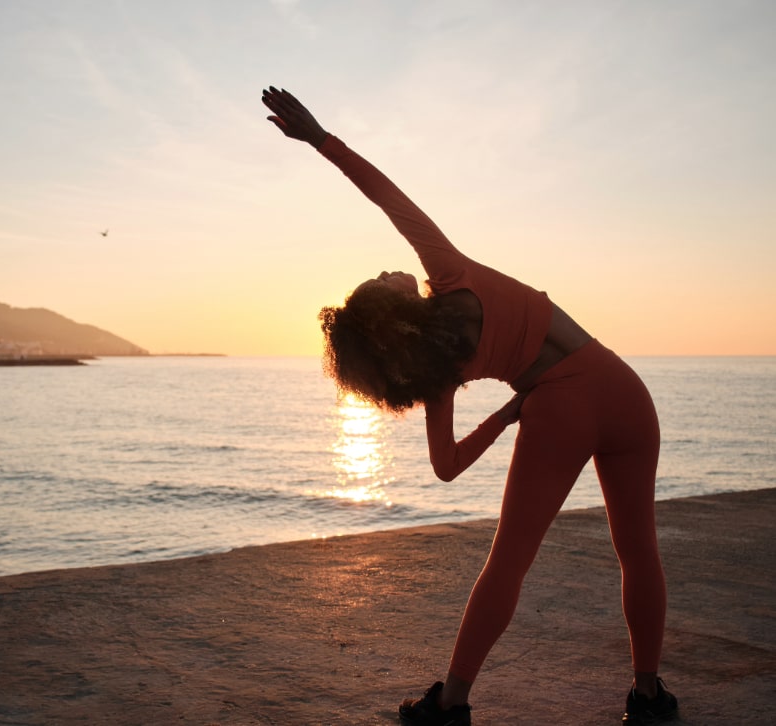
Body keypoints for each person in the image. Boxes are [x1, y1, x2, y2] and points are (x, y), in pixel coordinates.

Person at [262, 86, 679, 726]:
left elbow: (447, 466)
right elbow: (385, 194)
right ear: (390, 308)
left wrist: (507, 416)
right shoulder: (449, 271)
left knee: (508, 561)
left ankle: (452, 702)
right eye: (376, 281)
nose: (383, 270)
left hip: (554, 411)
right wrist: (320, 139)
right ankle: (647, 694)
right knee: (638, 549)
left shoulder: (437, 373)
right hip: (622, 388)